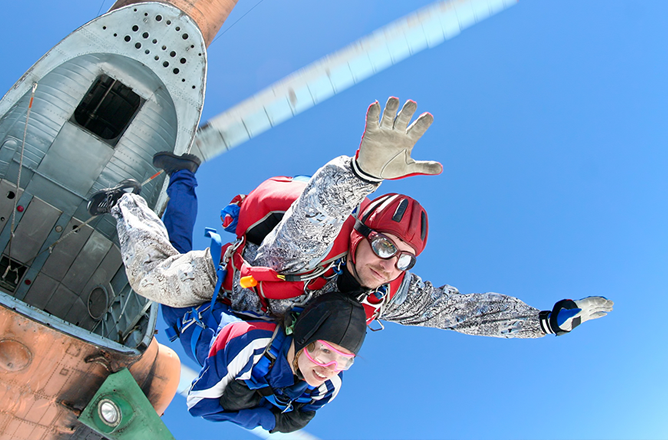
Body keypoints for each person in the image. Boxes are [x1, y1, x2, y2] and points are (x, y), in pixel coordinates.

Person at [90, 96, 612, 344]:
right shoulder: (311, 245)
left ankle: (180, 179)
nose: (391, 266)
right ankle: (126, 202)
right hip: (228, 278)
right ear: (359, 235)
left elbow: (466, 311)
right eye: (385, 247)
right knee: (151, 279)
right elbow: (320, 208)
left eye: (405, 258)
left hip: (262, 319)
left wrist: (545, 321)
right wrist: (361, 173)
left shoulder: (392, 292)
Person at [181, 292, 367, 433]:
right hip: (192, 319)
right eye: (325, 352)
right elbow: (199, 405)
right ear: (303, 338)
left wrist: (262, 416)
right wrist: (255, 412)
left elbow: (299, 419)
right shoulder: (251, 343)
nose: (329, 369)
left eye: (344, 360)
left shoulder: (329, 385)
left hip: (242, 367)